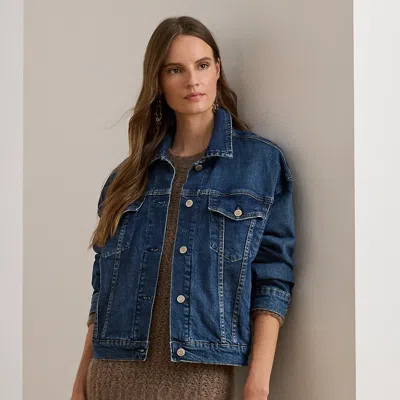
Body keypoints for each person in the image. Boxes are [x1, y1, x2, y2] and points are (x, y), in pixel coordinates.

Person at [71, 15, 296, 400]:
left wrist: (258, 383)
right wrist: (80, 384)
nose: (193, 80)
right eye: (175, 70)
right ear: (159, 82)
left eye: (202, 65)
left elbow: (273, 277)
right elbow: (102, 292)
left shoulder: (259, 164)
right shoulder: (126, 179)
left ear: (217, 70)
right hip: (111, 378)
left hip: (198, 381)